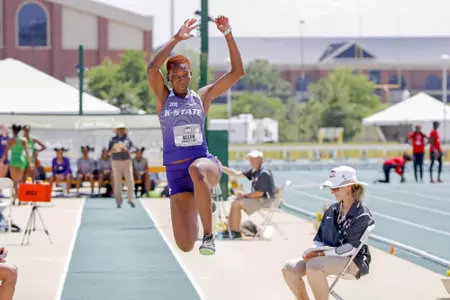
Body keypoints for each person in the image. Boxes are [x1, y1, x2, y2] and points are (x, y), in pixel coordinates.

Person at [147, 16, 244, 255]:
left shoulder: (202, 97)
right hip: (176, 174)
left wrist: (228, 33)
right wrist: (177, 38)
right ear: (169, 79)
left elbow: (237, 72)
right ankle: (202, 201)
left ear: (191, 74)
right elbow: (152, 68)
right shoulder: (163, 98)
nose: (181, 80)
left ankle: (209, 236)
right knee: (185, 245)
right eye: (176, 77)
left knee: (197, 170)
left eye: (185, 75)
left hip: (203, 165)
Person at [282, 166, 374, 300]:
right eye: (331, 188)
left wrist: (319, 254)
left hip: (354, 261)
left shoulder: (362, 214)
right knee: (289, 269)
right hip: (326, 257)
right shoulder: (332, 210)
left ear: (349, 187)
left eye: (335, 188)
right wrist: (313, 252)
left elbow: (350, 248)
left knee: (314, 266)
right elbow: (319, 240)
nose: (332, 192)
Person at [219, 150, 276, 239]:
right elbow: (236, 174)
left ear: (260, 160)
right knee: (235, 201)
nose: (251, 161)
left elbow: (259, 193)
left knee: (236, 203)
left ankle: (235, 232)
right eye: (250, 159)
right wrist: (221, 167)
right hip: (259, 199)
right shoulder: (255, 171)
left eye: (254, 159)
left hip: (265, 201)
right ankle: (231, 230)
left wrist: (244, 196)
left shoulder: (264, 172)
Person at [0, 125, 32, 202]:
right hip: (21, 160)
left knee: (15, 181)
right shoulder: (23, 140)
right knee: (21, 181)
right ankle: (21, 198)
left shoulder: (11, 140)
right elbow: (27, 152)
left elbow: (5, 152)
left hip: (13, 160)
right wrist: (30, 162)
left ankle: (15, 198)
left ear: (13, 131)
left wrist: (1, 161)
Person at [108, 123, 136, 208]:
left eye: (122, 129)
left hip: (126, 161)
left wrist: (126, 149)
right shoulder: (113, 140)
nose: (120, 130)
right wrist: (114, 149)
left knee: (130, 181)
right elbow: (109, 152)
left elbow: (133, 150)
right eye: (119, 129)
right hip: (116, 161)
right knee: (117, 182)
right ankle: (119, 202)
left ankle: (131, 199)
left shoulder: (128, 139)